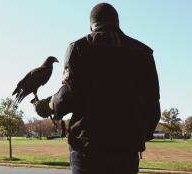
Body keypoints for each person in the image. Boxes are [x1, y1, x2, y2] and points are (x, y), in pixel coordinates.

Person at [33, 3, 160, 174]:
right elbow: (153, 105)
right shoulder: (142, 53)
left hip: (87, 152)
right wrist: (136, 138)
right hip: (126, 153)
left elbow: (68, 96)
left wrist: (46, 105)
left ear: (91, 25)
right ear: (117, 23)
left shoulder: (79, 48)